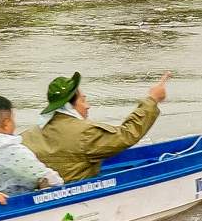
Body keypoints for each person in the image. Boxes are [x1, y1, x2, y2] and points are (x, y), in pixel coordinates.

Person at [23, 71, 168, 182]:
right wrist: (152, 99)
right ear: (70, 106)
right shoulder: (85, 133)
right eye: (83, 100)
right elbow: (126, 135)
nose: (88, 106)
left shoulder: (27, 136)